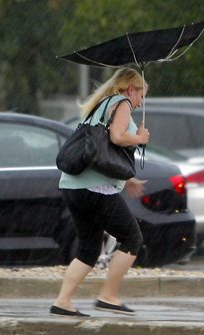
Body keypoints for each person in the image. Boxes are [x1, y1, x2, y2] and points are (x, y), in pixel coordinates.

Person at [50, 68, 150, 317]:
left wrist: (129, 179)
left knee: (89, 248)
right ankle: (108, 296)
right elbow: (116, 138)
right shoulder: (121, 102)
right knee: (132, 238)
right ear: (130, 89)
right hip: (94, 189)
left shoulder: (101, 105)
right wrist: (139, 138)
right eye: (141, 95)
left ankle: (62, 301)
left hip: (73, 186)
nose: (140, 102)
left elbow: (101, 154)